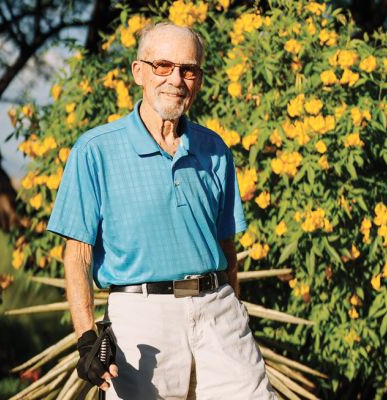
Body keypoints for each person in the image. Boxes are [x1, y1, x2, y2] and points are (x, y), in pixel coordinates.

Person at [47, 22, 277, 399]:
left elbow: (227, 248)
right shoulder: (95, 151)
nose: (176, 79)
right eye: (163, 66)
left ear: (199, 80)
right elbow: (77, 255)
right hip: (141, 318)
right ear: (139, 71)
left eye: (189, 70)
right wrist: (87, 338)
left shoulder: (215, 149)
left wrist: (231, 308)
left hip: (218, 310)